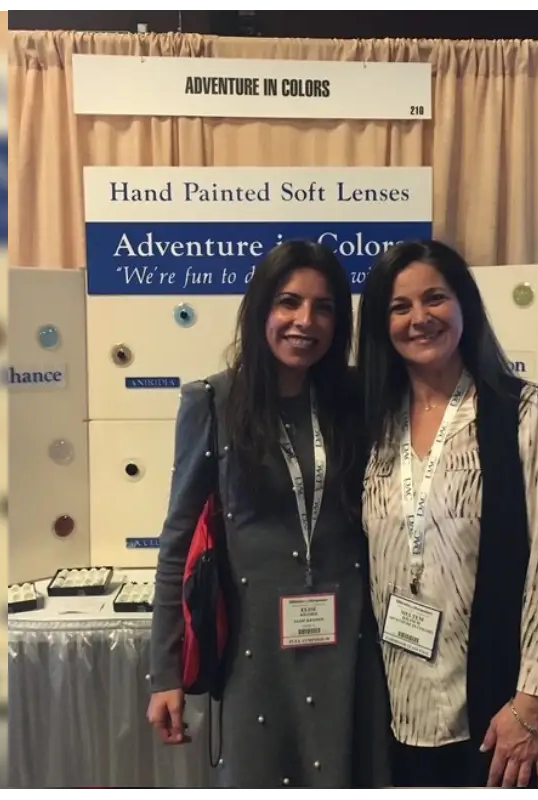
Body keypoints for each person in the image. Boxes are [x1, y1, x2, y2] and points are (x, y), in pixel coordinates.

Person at [356, 240, 538, 790]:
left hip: (502, 718)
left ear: (464, 305)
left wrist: (531, 708)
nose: (420, 318)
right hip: (404, 709)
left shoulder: (523, 410)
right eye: (400, 307)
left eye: (435, 298)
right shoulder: (374, 425)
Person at [147, 240, 390, 790]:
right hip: (256, 657)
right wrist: (165, 673)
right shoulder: (212, 403)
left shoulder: (358, 399)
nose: (305, 321)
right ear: (260, 309)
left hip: (352, 649)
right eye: (289, 303)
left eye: (323, 307)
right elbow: (179, 544)